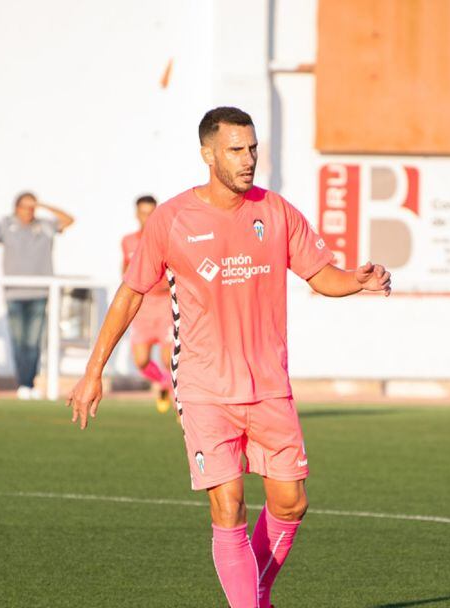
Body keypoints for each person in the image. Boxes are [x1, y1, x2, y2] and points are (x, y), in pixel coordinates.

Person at [68, 107, 391, 608]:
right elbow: (131, 293)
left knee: (292, 501)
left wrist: (357, 280)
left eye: (253, 148)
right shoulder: (172, 219)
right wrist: (94, 372)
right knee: (230, 505)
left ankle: (254, 596)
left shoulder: (276, 211)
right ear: (208, 154)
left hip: (268, 385)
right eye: (236, 150)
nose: (248, 159)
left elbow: (320, 274)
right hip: (204, 387)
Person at [0, 192, 74, 400]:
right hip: (14, 293)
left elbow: (69, 220)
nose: (29, 211)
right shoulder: (5, 224)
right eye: (25, 207)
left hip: (39, 293)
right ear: (16, 207)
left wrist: (43, 204)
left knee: (34, 341)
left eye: (32, 207)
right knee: (19, 341)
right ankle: (23, 383)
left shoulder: (45, 225)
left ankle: (30, 383)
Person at [121, 195, 174, 413]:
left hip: (164, 305)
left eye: (151, 212)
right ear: (137, 214)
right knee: (141, 361)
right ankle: (162, 383)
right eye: (143, 213)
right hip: (142, 306)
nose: (147, 217)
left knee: (168, 358)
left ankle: (179, 406)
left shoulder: (167, 239)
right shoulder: (128, 241)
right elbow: (124, 268)